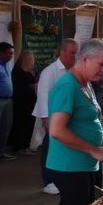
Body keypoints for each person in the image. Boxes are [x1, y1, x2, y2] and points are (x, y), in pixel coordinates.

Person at [47, 39, 103, 205]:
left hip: (85, 165)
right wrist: (93, 149)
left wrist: (102, 136)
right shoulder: (67, 86)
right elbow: (57, 130)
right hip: (70, 166)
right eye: (102, 64)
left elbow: (82, 120)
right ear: (85, 59)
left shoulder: (85, 83)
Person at [33, 38, 79, 195]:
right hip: (53, 119)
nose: (75, 56)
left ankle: (64, 178)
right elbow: (43, 96)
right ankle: (48, 181)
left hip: (69, 117)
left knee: (65, 149)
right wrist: (46, 120)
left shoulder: (74, 71)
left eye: (76, 53)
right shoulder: (49, 72)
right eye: (72, 53)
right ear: (62, 52)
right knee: (50, 149)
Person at [11, 50, 39, 153]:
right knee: (21, 123)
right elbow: (19, 86)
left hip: (31, 101)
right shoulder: (18, 71)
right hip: (21, 102)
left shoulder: (32, 70)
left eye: (32, 59)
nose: (32, 61)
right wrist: (31, 86)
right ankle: (19, 146)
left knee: (29, 123)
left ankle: (27, 145)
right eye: (29, 59)